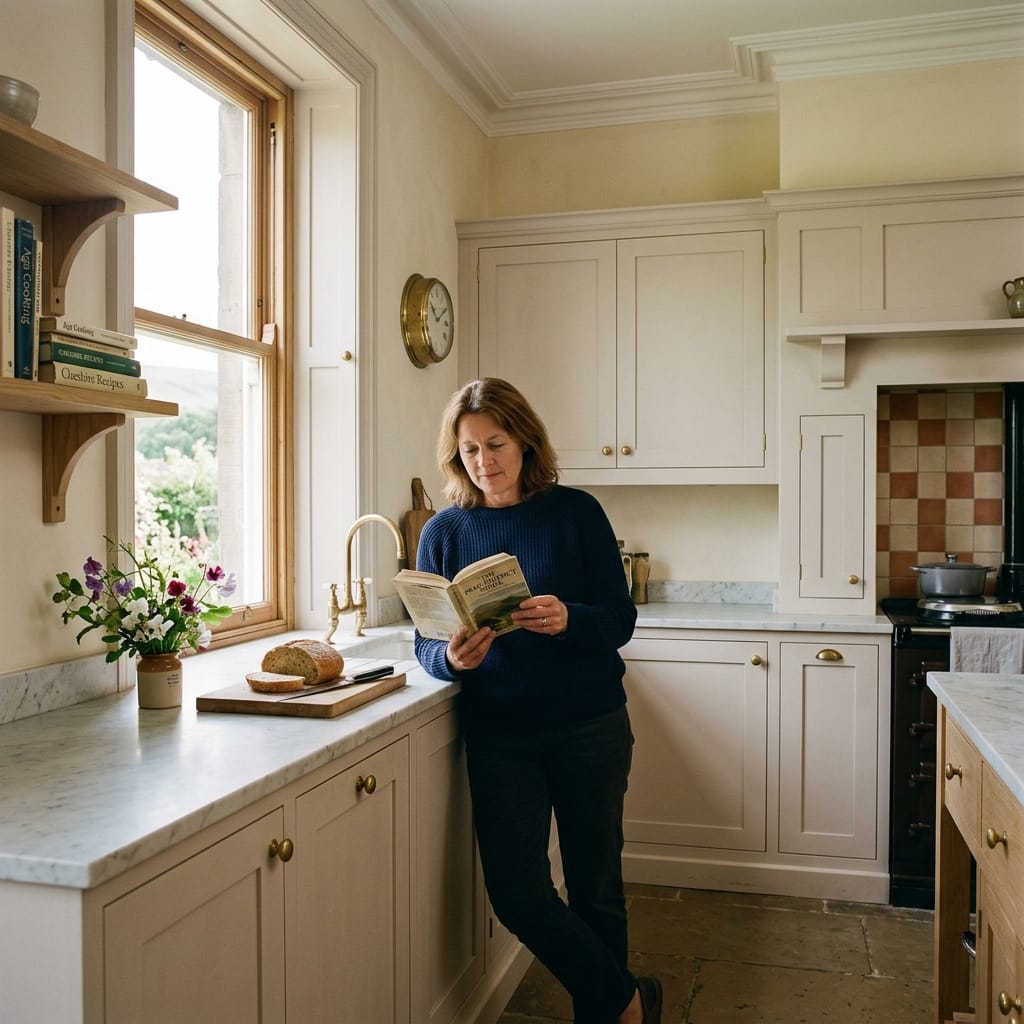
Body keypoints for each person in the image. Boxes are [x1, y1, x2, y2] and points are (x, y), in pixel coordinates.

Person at [413, 378, 661, 1024]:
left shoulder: (575, 512)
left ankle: (609, 1018)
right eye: (468, 451)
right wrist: (450, 658)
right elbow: (426, 642)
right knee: (519, 894)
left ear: (524, 439)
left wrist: (569, 618)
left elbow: (619, 619)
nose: (484, 462)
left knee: (595, 887)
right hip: (500, 734)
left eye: (495, 444)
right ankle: (629, 1000)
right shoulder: (443, 532)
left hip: (589, 726)